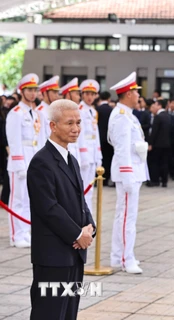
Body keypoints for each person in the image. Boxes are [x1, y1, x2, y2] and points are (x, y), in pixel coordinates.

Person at [27, 99, 95, 320]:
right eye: (69, 123)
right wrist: (77, 234)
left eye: (78, 122)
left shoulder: (71, 159)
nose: (76, 129)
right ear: (53, 126)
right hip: (53, 254)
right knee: (49, 312)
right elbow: (48, 208)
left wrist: (89, 227)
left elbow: (79, 199)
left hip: (74, 253)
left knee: (69, 312)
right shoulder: (41, 162)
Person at [108, 72, 148, 274]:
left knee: (124, 216)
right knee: (126, 218)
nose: (137, 96)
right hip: (128, 172)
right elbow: (122, 149)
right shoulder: (122, 117)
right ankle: (126, 258)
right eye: (135, 92)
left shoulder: (127, 115)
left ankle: (119, 256)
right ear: (126, 94)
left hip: (133, 170)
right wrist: (127, 176)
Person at [6, 73, 42, 248]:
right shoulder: (16, 113)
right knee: (17, 199)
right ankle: (15, 234)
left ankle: (25, 230)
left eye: (35, 90)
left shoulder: (33, 113)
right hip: (19, 161)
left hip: (32, 158)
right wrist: (19, 164)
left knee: (29, 199)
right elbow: (13, 141)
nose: (32, 93)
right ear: (22, 91)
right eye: (29, 90)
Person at [78, 80, 103, 212]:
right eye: (87, 93)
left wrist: (99, 155)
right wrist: (83, 155)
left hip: (93, 151)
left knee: (90, 189)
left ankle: (88, 216)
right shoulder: (79, 110)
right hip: (84, 152)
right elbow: (79, 134)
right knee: (81, 188)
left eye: (92, 94)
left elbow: (96, 133)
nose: (90, 97)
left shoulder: (93, 111)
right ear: (82, 94)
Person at [59, 78, 83, 169]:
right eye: (76, 94)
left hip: (75, 152)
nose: (79, 97)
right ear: (68, 95)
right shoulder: (59, 113)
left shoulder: (76, 112)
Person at [147, 100, 171, 187]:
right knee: (164, 163)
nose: (154, 106)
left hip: (157, 144)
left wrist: (150, 143)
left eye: (156, 104)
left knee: (155, 163)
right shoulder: (168, 116)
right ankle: (164, 181)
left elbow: (154, 132)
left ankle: (155, 180)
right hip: (167, 144)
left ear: (160, 106)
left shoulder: (158, 117)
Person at [36, 76, 61, 148]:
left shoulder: (56, 111)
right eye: (54, 92)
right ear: (45, 93)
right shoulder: (39, 111)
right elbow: (40, 137)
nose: (57, 95)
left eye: (57, 92)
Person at [96, 91, 114, 186]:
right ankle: (106, 178)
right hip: (108, 138)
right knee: (108, 158)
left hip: (98, 138)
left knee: (99, 158)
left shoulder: (97, 109)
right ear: (108, 98)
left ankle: (97, 177)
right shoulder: (111, 110)